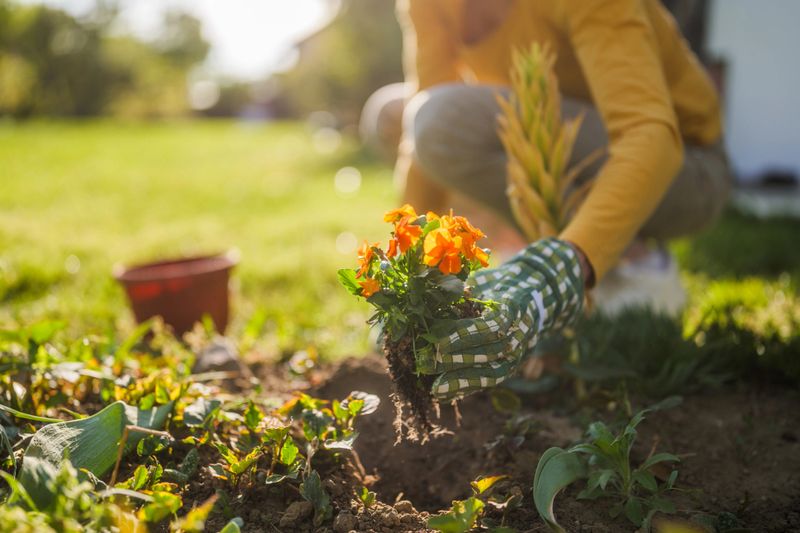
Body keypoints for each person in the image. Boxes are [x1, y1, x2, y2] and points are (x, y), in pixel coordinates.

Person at [360, 0, 731, 400]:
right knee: (395, 113)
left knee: (440, 119)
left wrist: (569, 262)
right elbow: (421, 141)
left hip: (686, 172)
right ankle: (563, 243)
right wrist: (413, 277)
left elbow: (651, 138)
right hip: (563, 140)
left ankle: (634, 263)